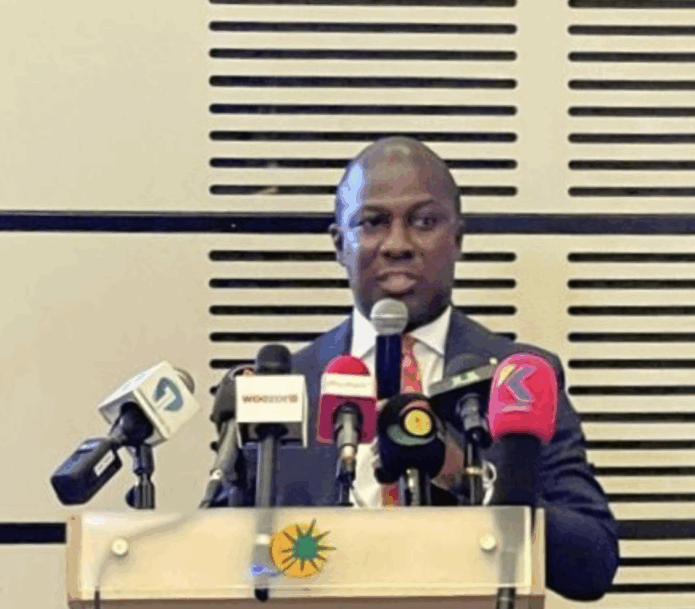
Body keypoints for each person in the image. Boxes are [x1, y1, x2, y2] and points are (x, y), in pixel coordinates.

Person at [221, 136, 619, 601]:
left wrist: (466, 477)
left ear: (458, 239)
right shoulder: (283, 385)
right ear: (340, 245)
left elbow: (591, 563)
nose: (398, 245)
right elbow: (220, 555)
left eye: (424, 222)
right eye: (372, 222)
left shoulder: (521, 379)